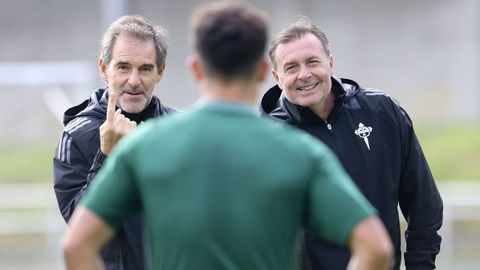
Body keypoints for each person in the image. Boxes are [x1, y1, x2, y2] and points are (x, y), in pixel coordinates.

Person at [61, 1, 394, 270]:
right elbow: (376, 248)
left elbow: (76, 246)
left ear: (195, 69)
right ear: (266, 72)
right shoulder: (299, 151)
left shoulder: (146, 145)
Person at [260, 17, 443, 270]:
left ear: (331, 63)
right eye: (291, 67)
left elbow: (424, 204)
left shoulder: (382, 112)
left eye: (312, 62)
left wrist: (420, 265)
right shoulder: (264, 137)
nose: (304, 74)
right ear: (277, 77)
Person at [53, 15, 176, 270]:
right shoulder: (77, 135)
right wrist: (108, 156)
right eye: (123, 67)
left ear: (160, 72)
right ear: (104, 68)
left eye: (145, 69)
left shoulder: (179, 130)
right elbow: (78, 226)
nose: (133, 80)